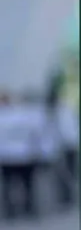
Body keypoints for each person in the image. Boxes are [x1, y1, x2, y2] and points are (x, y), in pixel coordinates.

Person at [0, 92, 42, 221]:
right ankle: (29, 208)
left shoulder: (3, 117)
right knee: (27, 184)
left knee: (9, 185)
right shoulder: (25, 116)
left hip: (8, 156)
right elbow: (34, 134)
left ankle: (11, 211)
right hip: (24, 155)